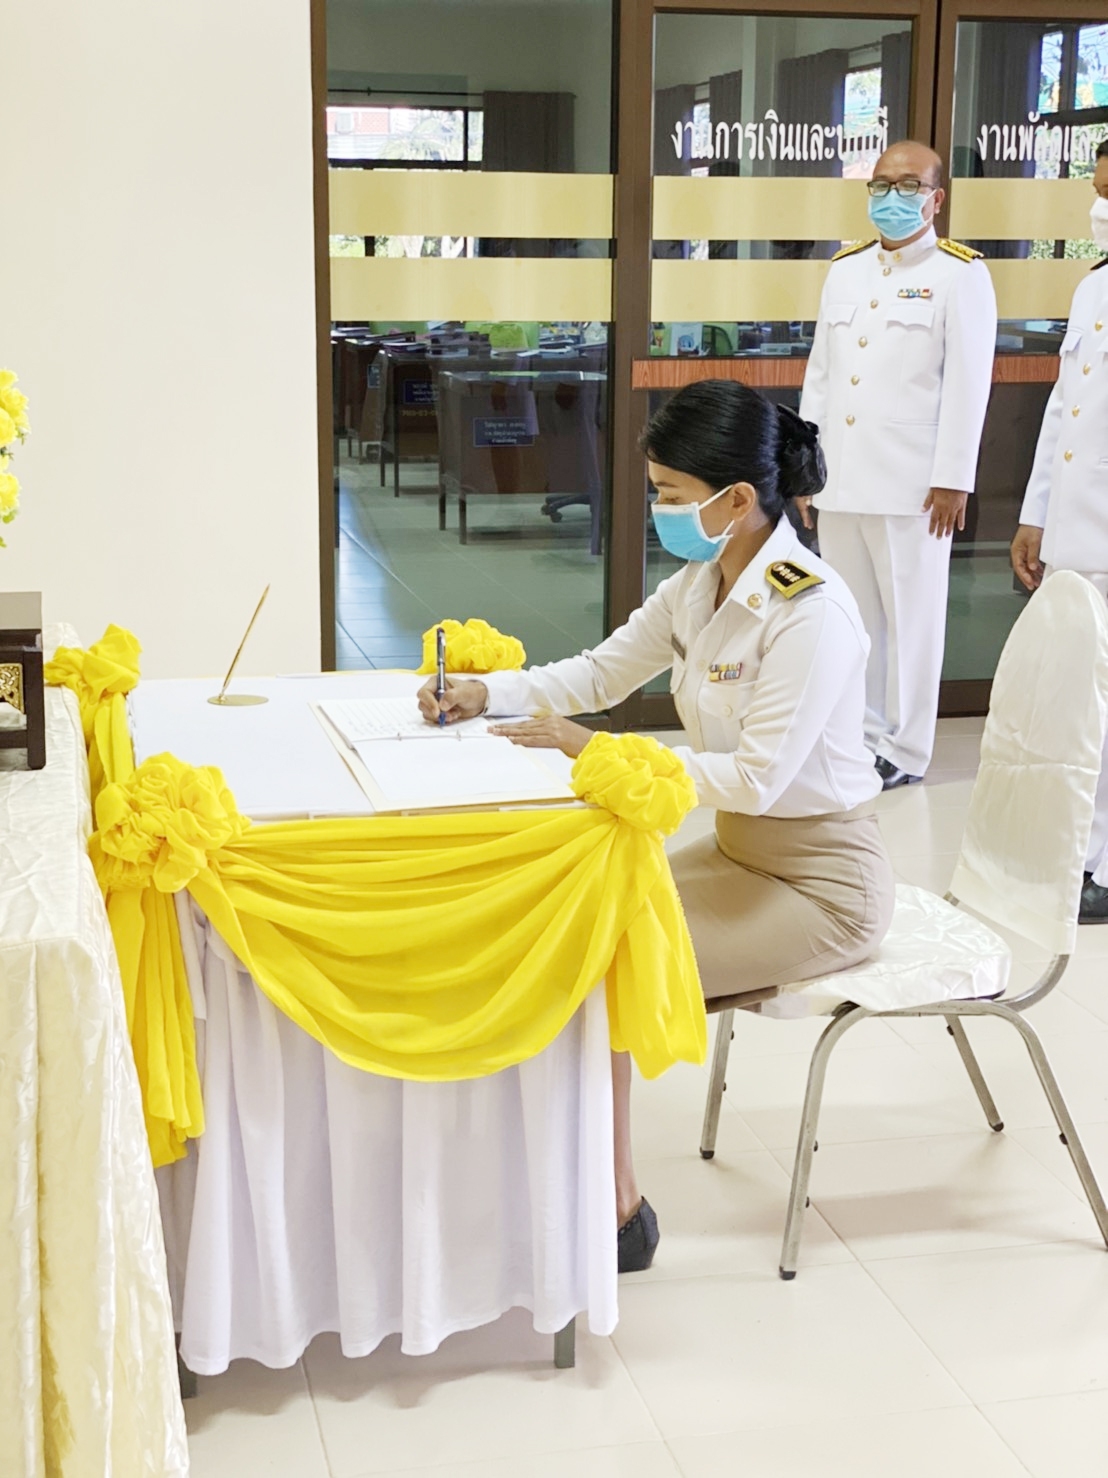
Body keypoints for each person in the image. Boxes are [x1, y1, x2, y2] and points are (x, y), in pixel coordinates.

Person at [417, 380, 895, 1272]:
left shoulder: (811, 611)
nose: (659, 509)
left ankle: (616, 1214)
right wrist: (489, 693)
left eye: (672, 493)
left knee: (600, 962)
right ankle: (554, 1175)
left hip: (822, 884)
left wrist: (599, 752)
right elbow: (598, 675)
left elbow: (756, 778)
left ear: (738, 500)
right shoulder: (699, 585)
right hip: (742, 857)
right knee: (566, 924)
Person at [797, 140, 998, 789]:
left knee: (912, 621)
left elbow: (969, 385)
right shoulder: (845, 270)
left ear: (936, 199)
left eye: (908, 185)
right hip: (841, 478)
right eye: (881, 184)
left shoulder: (960, 275)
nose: (891, 196)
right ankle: (859, 735)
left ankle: (906, 749)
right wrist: (805, 467)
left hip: (915, 486)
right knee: (853, 617)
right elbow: (821, 378)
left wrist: (953, 478)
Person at [1011, 139, 1108, 924]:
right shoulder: (1093, 287)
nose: (1099, 208)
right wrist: (1035, 511)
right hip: (1079, 535)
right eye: (1098, 191)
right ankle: (1084, 852)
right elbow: (1063, 412)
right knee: (1081, 703)